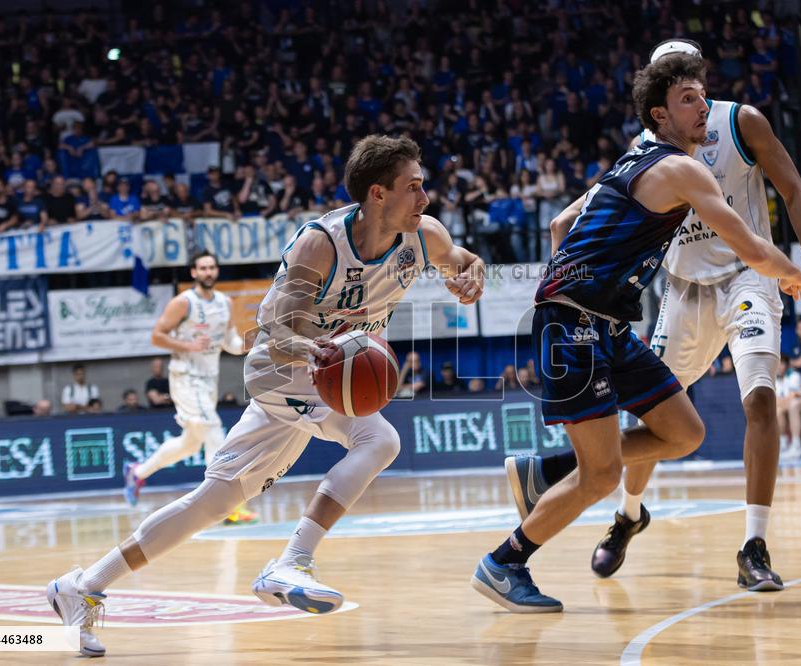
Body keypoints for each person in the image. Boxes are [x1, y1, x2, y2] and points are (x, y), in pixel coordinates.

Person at [49, 135, 485, 656]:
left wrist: (470, 274)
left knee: (214, 501)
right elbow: (273, 330)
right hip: (282, 370)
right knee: (379, 439)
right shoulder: (321, 243)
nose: (425, 197)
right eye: (413, 187)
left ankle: (83, 585)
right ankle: (292, 561)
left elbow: (461, 259)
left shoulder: (424, 236)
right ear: (377, 194)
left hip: (321, 376)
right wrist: (320, 351)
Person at [472, 52, 801, 613]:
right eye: (687, 100)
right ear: (659, 115)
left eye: (703, 96)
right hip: (573, 321)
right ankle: (504, 562)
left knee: (684, 432)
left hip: (607, 322)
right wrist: (797, 277)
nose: (702, 106)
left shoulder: (639, 157)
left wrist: (586, 274)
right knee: (603, 475)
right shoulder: (679, 167)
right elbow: (749, 245)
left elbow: (562, 224)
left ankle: (551, 471)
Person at [122, 251, 248, 516]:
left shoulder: (225, 303)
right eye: (203, 268)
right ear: (193, 272)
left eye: (212, 267)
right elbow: (157, 336)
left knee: (191, 443)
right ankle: (224, 504)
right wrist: (188, 345)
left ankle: (137, 473)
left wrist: (252, 343)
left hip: (208, 378)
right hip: (185, 377)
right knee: (213, 429)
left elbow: (231, 343)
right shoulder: (183, 302)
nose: (208, 272)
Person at [775, 354, 801, 458]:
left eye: (781, 363)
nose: (778, 366)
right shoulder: (774, 380)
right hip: (785, 408)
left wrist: (781, 402)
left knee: (793, 404)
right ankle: (784, 445)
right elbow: (774, 400)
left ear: (787, 365)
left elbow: (794, 395)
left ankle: (797, 445)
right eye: (776, 363)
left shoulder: (794, 375)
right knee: (777, 411)